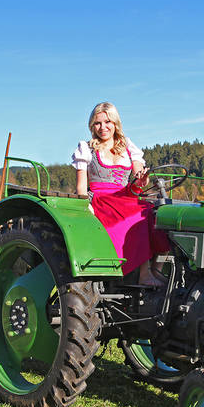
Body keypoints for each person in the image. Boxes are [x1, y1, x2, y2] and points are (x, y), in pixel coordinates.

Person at [71, 102, 168, 286]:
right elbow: (81, 189)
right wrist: (86, 207)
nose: (103, 127)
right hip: (101, 199)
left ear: (115, 123)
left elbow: (139, 180)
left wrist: (141, 178)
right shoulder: (87, 148)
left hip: (126, 196)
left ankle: (157, 270)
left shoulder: (128, 147)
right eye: (97, 123)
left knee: (158, 214)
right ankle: (144, 274)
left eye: (107, 122)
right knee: (137, 216)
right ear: (92, 126)